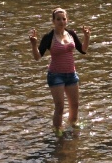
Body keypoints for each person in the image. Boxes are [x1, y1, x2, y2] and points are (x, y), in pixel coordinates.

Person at [29, 8, 91, 136]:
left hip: (71, 74)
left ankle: (73, 125)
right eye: (58, 19)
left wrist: (86, 37)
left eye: (64, 19)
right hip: (56, 75)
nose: (61, 22)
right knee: (60, 107)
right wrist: (34, 44)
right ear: (53, 21)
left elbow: (83, 50)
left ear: (67, 20)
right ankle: (58, 131)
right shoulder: (49, 37)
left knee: (75, 105)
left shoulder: (71, 34)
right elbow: (37, 57)